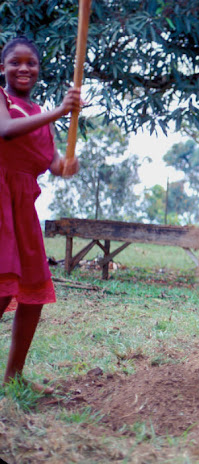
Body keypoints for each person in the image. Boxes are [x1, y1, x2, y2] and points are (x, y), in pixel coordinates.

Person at [0, 36, 82, 393]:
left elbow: (52, 164)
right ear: (2, 68)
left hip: (23, 207)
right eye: (15, 62)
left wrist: (67, 166)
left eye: (31, 63)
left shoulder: (40, 117)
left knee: (32, 294)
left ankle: (14, 377)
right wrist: (62, 110)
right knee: (2, 291)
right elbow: (4, 131)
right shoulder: (1, 101)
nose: (23, 68)